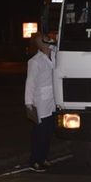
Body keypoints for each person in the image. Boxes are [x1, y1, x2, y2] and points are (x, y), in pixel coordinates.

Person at [24, 34, 56, 173]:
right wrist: (28, 103)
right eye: (45, 38)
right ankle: (35, 160)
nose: (49, 39)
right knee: (39, 133)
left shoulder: (54, 55)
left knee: (48, 132)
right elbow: (30, 83)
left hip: (53, 101)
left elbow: (58, 44)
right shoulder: (35, 61)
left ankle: (43, 158)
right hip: (41, 102)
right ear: (41, 44)